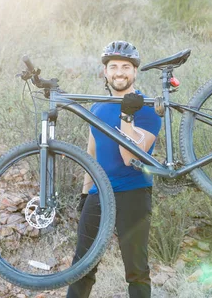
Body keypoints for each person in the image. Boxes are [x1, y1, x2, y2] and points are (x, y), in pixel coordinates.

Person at [66, 41, 162, 298]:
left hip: (133, 193)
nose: (119, 72)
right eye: (113, 66)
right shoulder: (97, 107)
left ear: (135, 72)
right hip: (98, 195)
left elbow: (129, 157)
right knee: (82, 267)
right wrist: (86, 193)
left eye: (126, 67)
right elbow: (91, 154)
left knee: (136, 270)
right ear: (105, 72)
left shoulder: (148, 108)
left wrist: (127, 115)